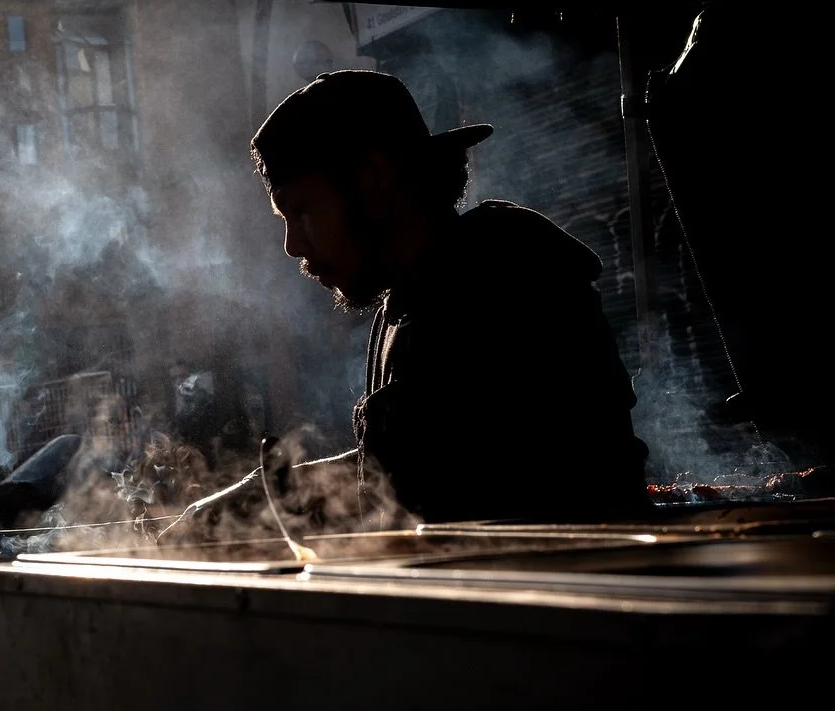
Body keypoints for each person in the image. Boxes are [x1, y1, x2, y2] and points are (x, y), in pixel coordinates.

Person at [246, 68, 650, 527]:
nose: (291, 245)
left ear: (375, 177)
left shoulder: (510, 284)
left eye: (301, 211)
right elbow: (404, 459)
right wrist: (266, 495)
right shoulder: (404, 305)